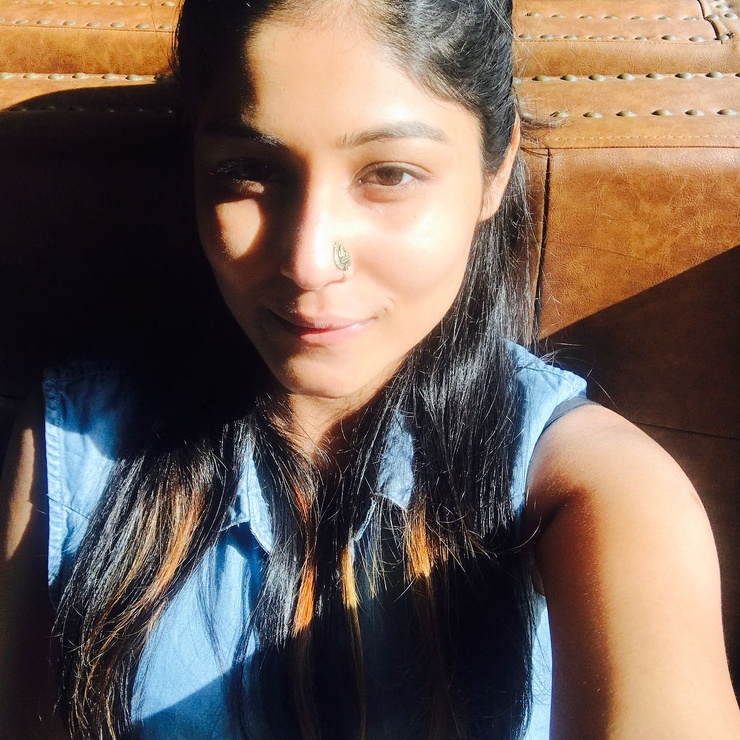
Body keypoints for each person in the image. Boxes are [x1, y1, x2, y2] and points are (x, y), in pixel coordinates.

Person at [1, 0, 738, 738]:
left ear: (494, 169)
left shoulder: (590, 491)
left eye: (389, 173)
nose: (309, 262)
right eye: (248, 171)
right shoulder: (73, 458)